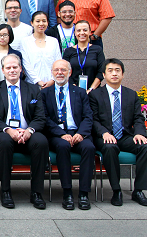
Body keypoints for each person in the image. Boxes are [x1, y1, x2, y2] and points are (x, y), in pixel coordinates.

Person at [0, 54, 49, 209]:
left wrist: (29, 131)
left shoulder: (33, 89)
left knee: (41, 141)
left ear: (21, 69)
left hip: (27, 132)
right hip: (2, 133)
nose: (12, 70)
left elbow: (40, 117)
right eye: (8, 68)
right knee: (4, 141)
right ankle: (6, 191)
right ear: (3, 70)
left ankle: (37, 192)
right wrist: (9, 130)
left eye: (15, 67)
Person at [89, 58, 147, 207]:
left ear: (123, 74)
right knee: (110, 148)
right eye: (110, 70)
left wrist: (139, 133)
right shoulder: (95, 95)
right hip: (104, 136)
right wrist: (104, 133)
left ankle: (139, 190)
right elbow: (93, 119)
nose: (114, 74)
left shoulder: (131, 95)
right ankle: (116, 190)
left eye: (117, 70)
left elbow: (138, 118)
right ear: (104, 75)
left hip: (125, 136)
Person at [40, 60, 95, 210]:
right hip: (56, 135)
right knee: (63, 146)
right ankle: (67, 193)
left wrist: (81, 133)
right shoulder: (44, 93)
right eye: (56, 70)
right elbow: (44, 118)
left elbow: (88, 116)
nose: (60, 73)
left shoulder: (80, 92)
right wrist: (61, 134)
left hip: (77, 132)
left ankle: (83, 194)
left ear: (69, 73)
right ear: (52, 73)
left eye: (63, 70)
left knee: (89, 148)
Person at [20, 11, 62, 89]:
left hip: (52, 84)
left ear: (47, 23)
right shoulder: (25, 42)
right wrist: (38, 81)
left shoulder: (53, 41)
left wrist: (52, 80)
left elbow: (58, 62)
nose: (41, 24)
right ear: (32, 23)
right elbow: (26, 65)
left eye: (44, 21)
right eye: (38, 21)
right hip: (31, 85)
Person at [63, 20, 105, 92]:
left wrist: (91, 89)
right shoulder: (68, 51)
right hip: (73, 91)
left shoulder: (97, 49)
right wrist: (75, 89)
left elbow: (101, 71)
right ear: (74, 33)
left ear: (90, 32)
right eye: (78, 30)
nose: (82, 33)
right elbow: (65, 71)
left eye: (85, 30)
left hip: (94, 91)